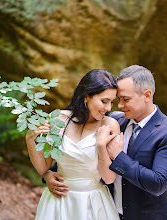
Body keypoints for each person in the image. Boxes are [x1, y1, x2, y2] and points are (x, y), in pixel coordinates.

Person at [45, 65, 167, 220]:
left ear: (147, 95)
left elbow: (158, 183)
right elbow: (81, 153)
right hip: (106, 212)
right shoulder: (115, 120)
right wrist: (50, 173)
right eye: (118, 99)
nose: (118, 106)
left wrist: (119, 157)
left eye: (125, 99)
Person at [26, 69, 121, 220]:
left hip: (93, 203)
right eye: (104, 101)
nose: (109, 108)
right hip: (60, 201)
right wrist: (30, 140)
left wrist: (101, 147)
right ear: (87, 96)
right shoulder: (57, 119)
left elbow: (109, 178)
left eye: (111, 102)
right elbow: (43, 167)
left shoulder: (110, 125)